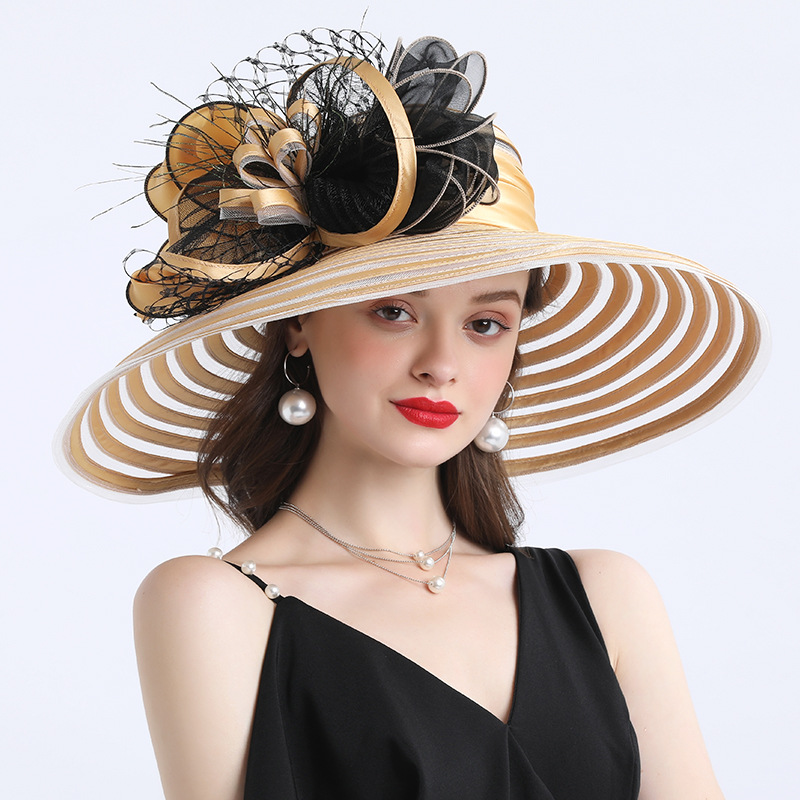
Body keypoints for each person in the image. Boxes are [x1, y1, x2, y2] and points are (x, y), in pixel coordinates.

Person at [55, 30, 768, 800]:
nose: (442, 363)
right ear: (299, 325)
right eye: (394, 311)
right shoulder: (215, 606)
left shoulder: (606, 598)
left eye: (486, 324)